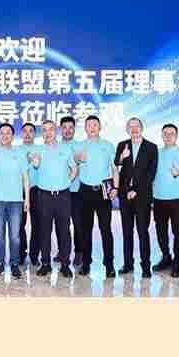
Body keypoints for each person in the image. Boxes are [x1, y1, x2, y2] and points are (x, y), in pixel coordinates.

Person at [74, 115, 119, 278]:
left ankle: (109, 264)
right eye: (89, 125)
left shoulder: (108, 145)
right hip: (85, 191)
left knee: (105, 229)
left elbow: (114, 169)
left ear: (100, 127)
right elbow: (74, 163)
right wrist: (78, 159)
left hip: (104, 190)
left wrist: (116, 187)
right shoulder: (80, 145)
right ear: (85, 128)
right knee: (85, 230)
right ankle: (86, 263)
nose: (92, 127)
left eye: (95, 124)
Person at [32, 120, 77, 278]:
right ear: (42, 133)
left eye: (51, 129)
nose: (48, 133)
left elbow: (74, 168)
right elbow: (35, 165)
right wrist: (35, 161)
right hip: (44, 196)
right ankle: (45, 263)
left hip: (63, 196)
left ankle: (65, 264)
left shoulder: (65, 149)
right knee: (44, 230)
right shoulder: (38, 150)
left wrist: (67, 181)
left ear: (56, 131)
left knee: (64, 231)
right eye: (44, 130)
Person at [114, 117, 158, 278]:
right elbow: (116, 165)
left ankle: (146, 266)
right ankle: (128, 264)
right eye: (130, 126)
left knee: (142, 231)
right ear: (127, 130)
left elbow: (151, 173)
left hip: (142, 196)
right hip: (125, 196)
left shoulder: (151, 147)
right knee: (127, 231)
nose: (134, 129)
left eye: (137, 126)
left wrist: (136, 190)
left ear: (142, 128)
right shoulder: (122, 145)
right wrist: (121, 157)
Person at [0, 123, 30, 279]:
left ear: (12, 136)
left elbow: (26, 177)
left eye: (8, 133)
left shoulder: (19, 153)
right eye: (2, 133)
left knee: (15, 236)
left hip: (16, 201)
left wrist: (27, 199)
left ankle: (14, 264)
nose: (5, 136)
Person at [152, 123, 179, 278]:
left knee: (178, 232)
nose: (168, 136)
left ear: (176, 136)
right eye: (165, 133)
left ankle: (176, 262)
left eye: (171, 133)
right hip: (158, 198)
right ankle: (166, 257)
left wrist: (178, 172)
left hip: (178, 199)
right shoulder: (156, 153)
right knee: (161, 230)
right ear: (161, 135)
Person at [60, 116, 84, 267]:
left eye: (70, 127)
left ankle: (79, 252)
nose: (67, 130)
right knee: (62, 225)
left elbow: (82, 164)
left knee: (78, 224)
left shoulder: (80, 146)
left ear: (74, 129)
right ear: (60, 129)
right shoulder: (55, 146)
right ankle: (63, 252)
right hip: (60, 192)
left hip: (76, 192)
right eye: (64, 127)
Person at [18, 122, 42, 265]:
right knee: (19, 224)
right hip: (19, 191)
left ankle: (34, 255)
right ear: (21, 134)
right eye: (25, 131)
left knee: (37, 224)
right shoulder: (15, 150)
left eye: (31, 131)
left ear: (35, 134)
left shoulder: (40, 150)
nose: (27, 134)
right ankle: (21, 253)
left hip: (36, 191)